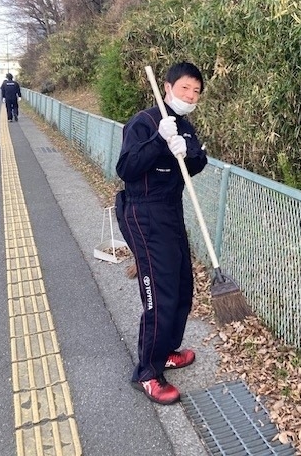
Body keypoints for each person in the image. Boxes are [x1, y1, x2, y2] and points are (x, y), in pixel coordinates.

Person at [115, 62, 207, 405]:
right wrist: (159, 140)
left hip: (171, 210)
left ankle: (166, 350)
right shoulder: (145, 122)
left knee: (182, 285)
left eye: (196, 91)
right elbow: (126, 167)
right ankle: (147, 372)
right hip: (144, 212)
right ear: (167, 87)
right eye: (185, 88)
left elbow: (196, 162)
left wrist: (188, 152)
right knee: (161, 292)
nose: (191, 96)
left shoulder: (184, 126)